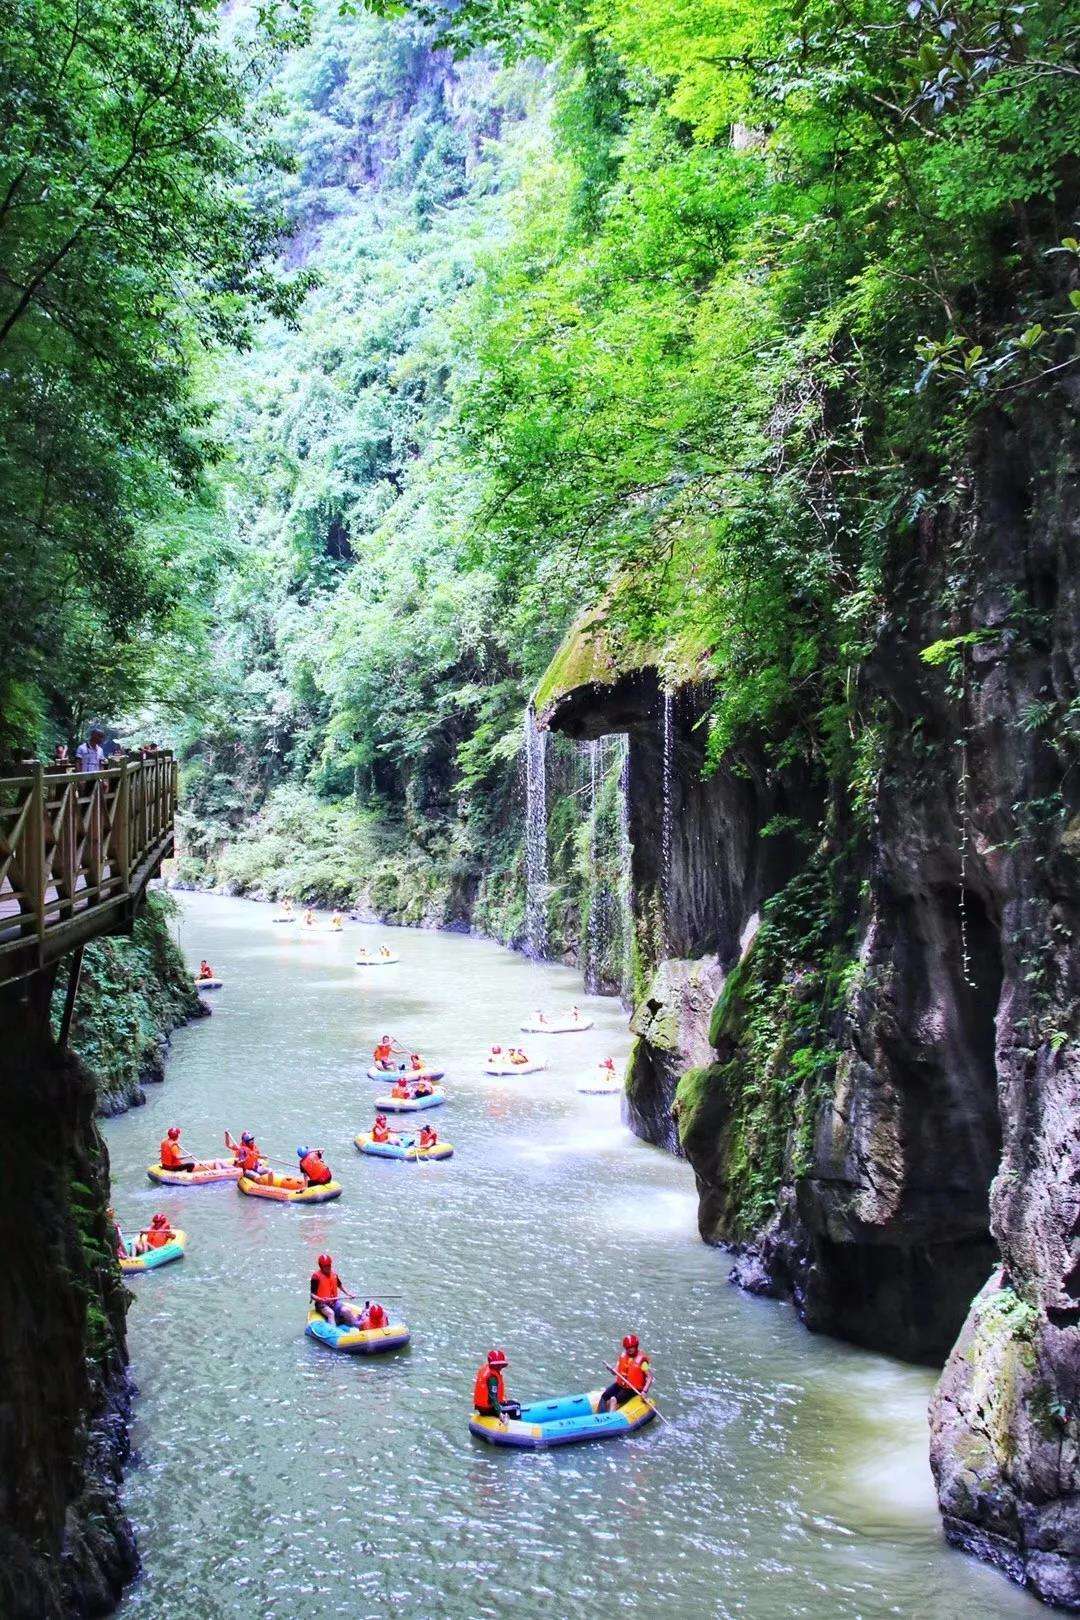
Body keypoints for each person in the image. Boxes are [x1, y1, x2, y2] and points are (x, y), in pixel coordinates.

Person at [599, 1334, 653, 1411]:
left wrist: (644, 1391)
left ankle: (610, 1419)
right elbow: (615, 1372)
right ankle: (600, 1415)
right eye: (628, 1348)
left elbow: (650, 1377)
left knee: (614, 1399)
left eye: (632, 1347)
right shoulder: (623, 1356)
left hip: (633, 1389)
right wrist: (611, 1370)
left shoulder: (642, 1361)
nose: (630, 1350)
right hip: (621, 1385)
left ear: (636, 1346)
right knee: (604, 1396)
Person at [309, 1253, 361, 1326]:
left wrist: (349, 1294)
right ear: (321, 1266)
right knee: (331, 1313)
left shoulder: (334, 1274)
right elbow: (312, 1295)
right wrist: (320, 1299)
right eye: (326, 1266)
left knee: (346, 1310)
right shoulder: (316, 1277)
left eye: (329, 1265)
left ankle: (357, 1325)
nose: (328, 1268)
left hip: (334, 1302)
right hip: (321, 1304)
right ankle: (334, 1331)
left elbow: (340, 1285)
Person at [472, 1349, 520, 1424]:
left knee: (510, 1403)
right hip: (489, 1409)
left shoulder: (485, 1370)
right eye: (498, 1365)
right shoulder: (493, 1378)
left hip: (481, 1408)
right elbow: (493, 1398)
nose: (500, 1367)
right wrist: (500, 1414)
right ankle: (516, 1427)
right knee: (516, 1406)